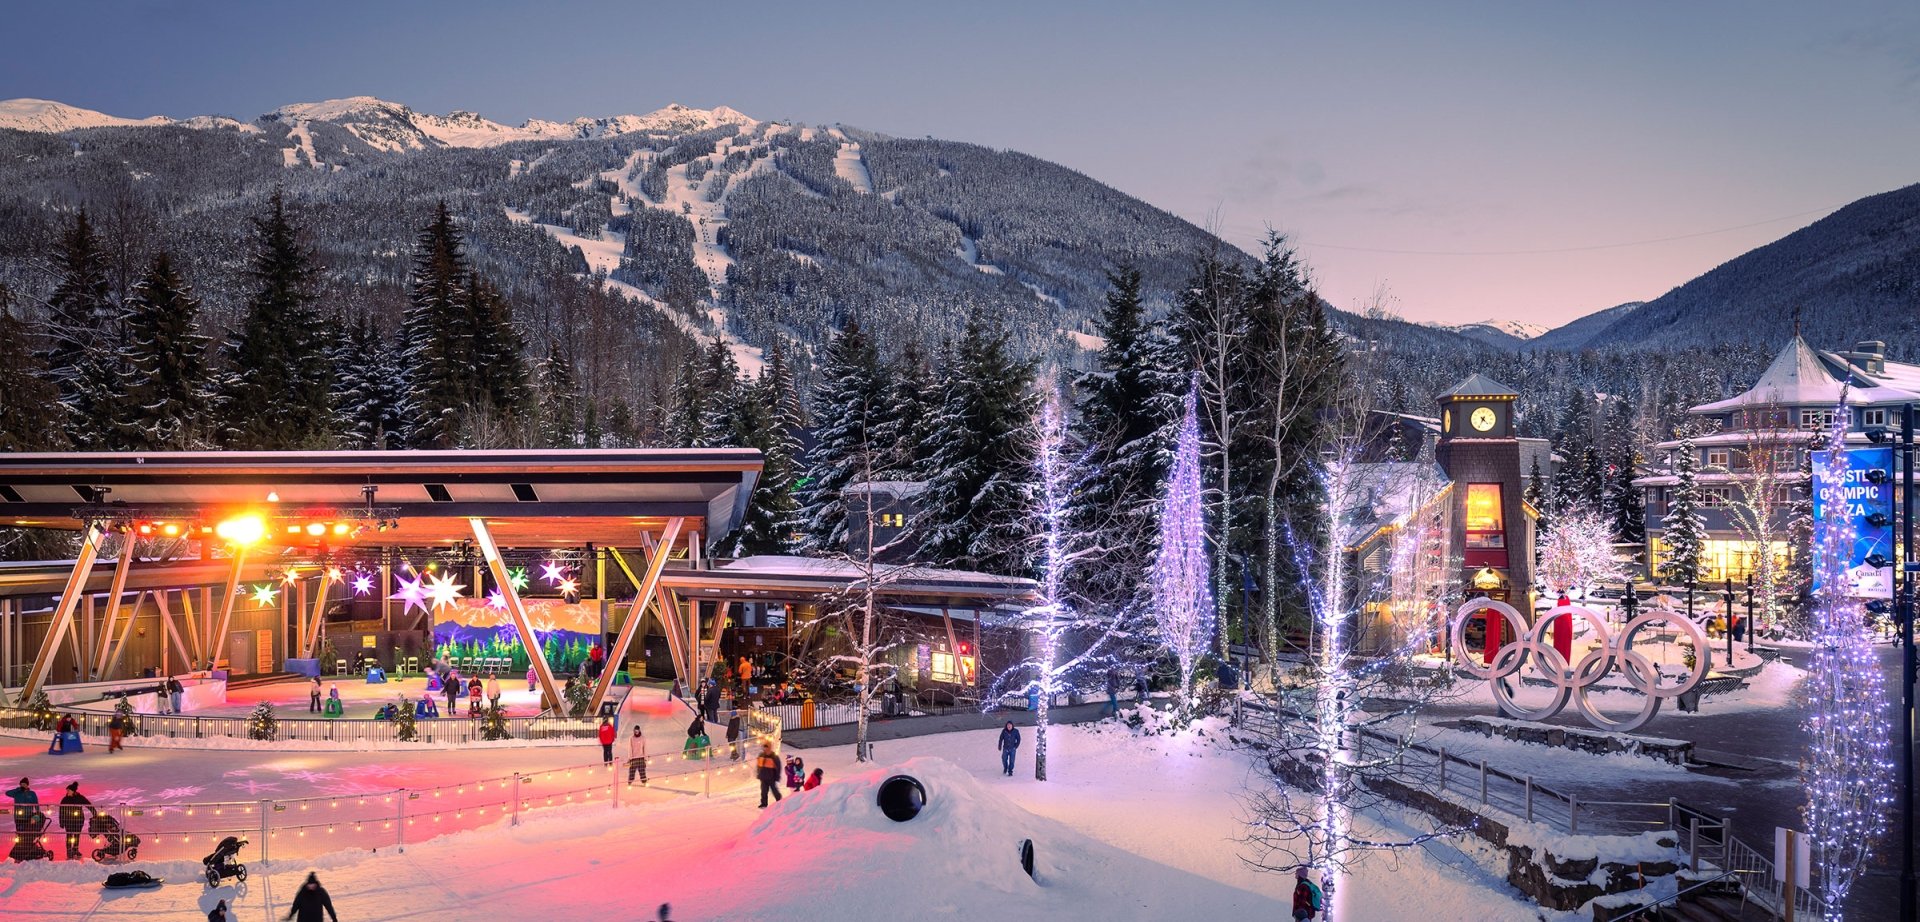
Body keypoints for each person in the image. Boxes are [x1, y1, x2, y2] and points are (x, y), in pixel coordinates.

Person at [58, 781, 94, 860]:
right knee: (69, 835)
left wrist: (94, 812)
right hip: (68, 821)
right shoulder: (65, 799)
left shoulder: (79, 798)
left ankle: (75, 849)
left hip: (78, 820)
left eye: (69, 790)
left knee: (77, 835)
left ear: (73, 791)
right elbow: (61, 811)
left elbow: (88, 804)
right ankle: (69, 851)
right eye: (67, 791)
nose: (67, 792)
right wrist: (61, 821)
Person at [755, 743, 783, 808]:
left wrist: (777, 776)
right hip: (763, 777)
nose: (765, 748)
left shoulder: (774, 756)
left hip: (771, 777)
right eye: (764, 747)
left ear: (769, 747)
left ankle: (779, 800)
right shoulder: (761, 755)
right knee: (763, 791)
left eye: (767, 747)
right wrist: (759, 773)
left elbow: (778, 767)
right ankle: (764, 803)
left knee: (774, 790)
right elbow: (758, 766)